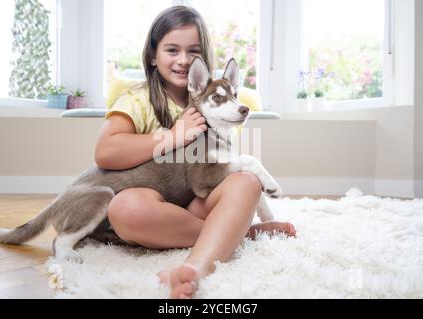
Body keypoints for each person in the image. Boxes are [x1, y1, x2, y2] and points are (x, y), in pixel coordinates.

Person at [95, 6, 296, 299]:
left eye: (193, 51)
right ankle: (238, 233)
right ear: (153, 55)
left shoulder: (220, 105)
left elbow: (216, 173)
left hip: (199, 201)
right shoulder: (138, 100)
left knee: (247, 181)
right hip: (155, 205)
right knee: (125, 207)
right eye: (172, 50)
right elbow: (106, 152)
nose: (183, 60)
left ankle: (196, 267)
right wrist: (173, 136)